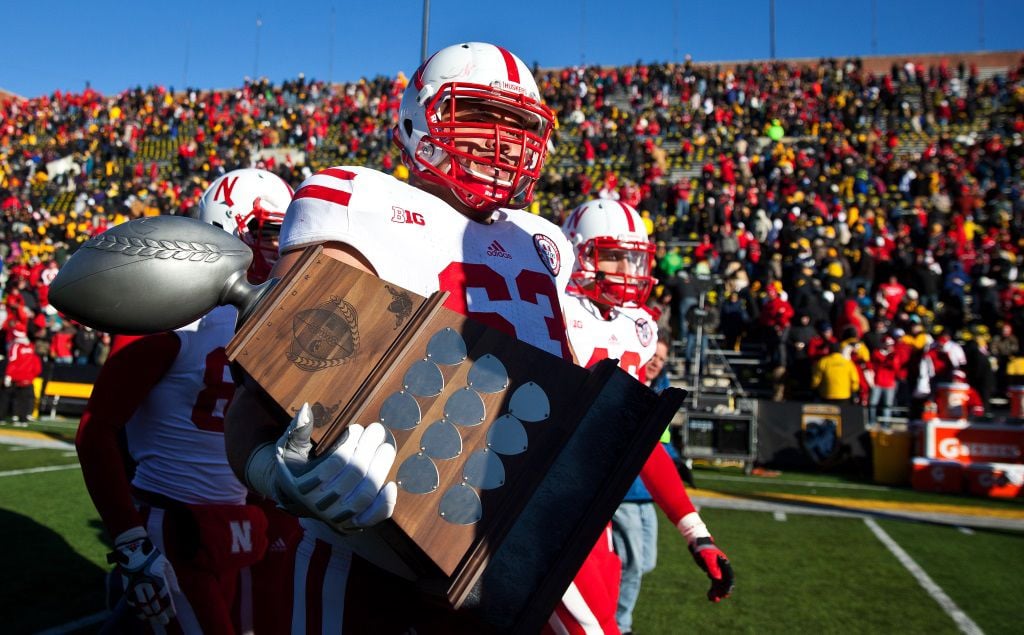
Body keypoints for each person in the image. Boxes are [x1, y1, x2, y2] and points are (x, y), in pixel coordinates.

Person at [223, 42, 576, 632]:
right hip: (371, 560)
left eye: (520, 125)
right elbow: (260, 395)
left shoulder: (545, 245)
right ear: (420, 118)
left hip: (509, 563)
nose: (503, 140)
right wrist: (274, 474)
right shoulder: (358, 202)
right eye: (482, 114)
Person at [75, 168, 297, 632]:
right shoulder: (170, 313)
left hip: (234, 520)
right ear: (226, 228)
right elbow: (96, 431)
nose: (283, 245)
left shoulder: (274, 316)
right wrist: (131, 539)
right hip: (169, 520)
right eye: (272, 231)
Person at [560, 199, 733, 634]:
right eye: (613, 255)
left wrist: (697, 534)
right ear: (577, 251)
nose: (627, 269)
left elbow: (639, 439)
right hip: (538, 508)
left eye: (633, 257)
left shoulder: (636, 327)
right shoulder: (553, 307)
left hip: (589, 514)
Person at [1, 328, 42, 426]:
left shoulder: (16, 346)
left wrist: (8, 375)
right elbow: (36, 365)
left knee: (4, 397)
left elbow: (13, 361)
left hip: (15, 376)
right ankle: (22, 420)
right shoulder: (31, 347)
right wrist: (31, 376)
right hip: (27, 378)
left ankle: (2, 417)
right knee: (24, 400)